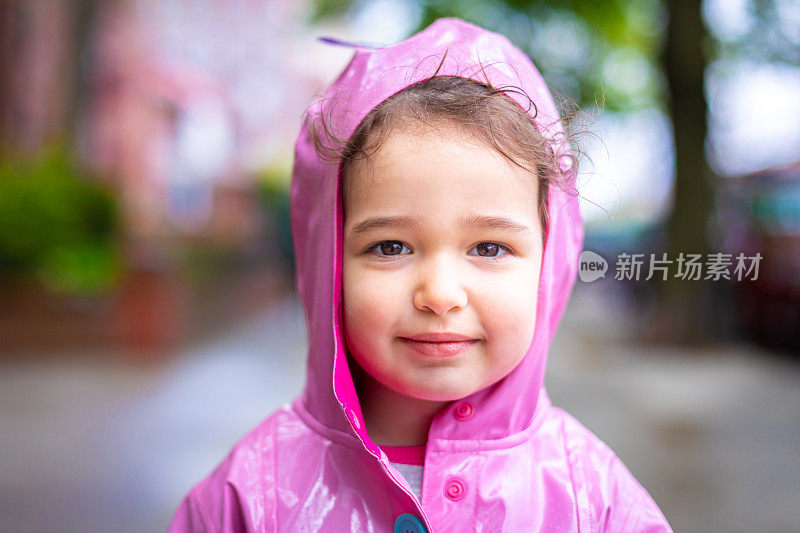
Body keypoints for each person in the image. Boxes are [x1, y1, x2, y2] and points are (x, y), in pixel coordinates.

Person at [168, 17, 672, 532]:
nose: (439, 294)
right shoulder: (253, 494)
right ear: (329, 261)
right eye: (391, 246)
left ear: (550, 262)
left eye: (489, 247)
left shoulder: (590, 496)